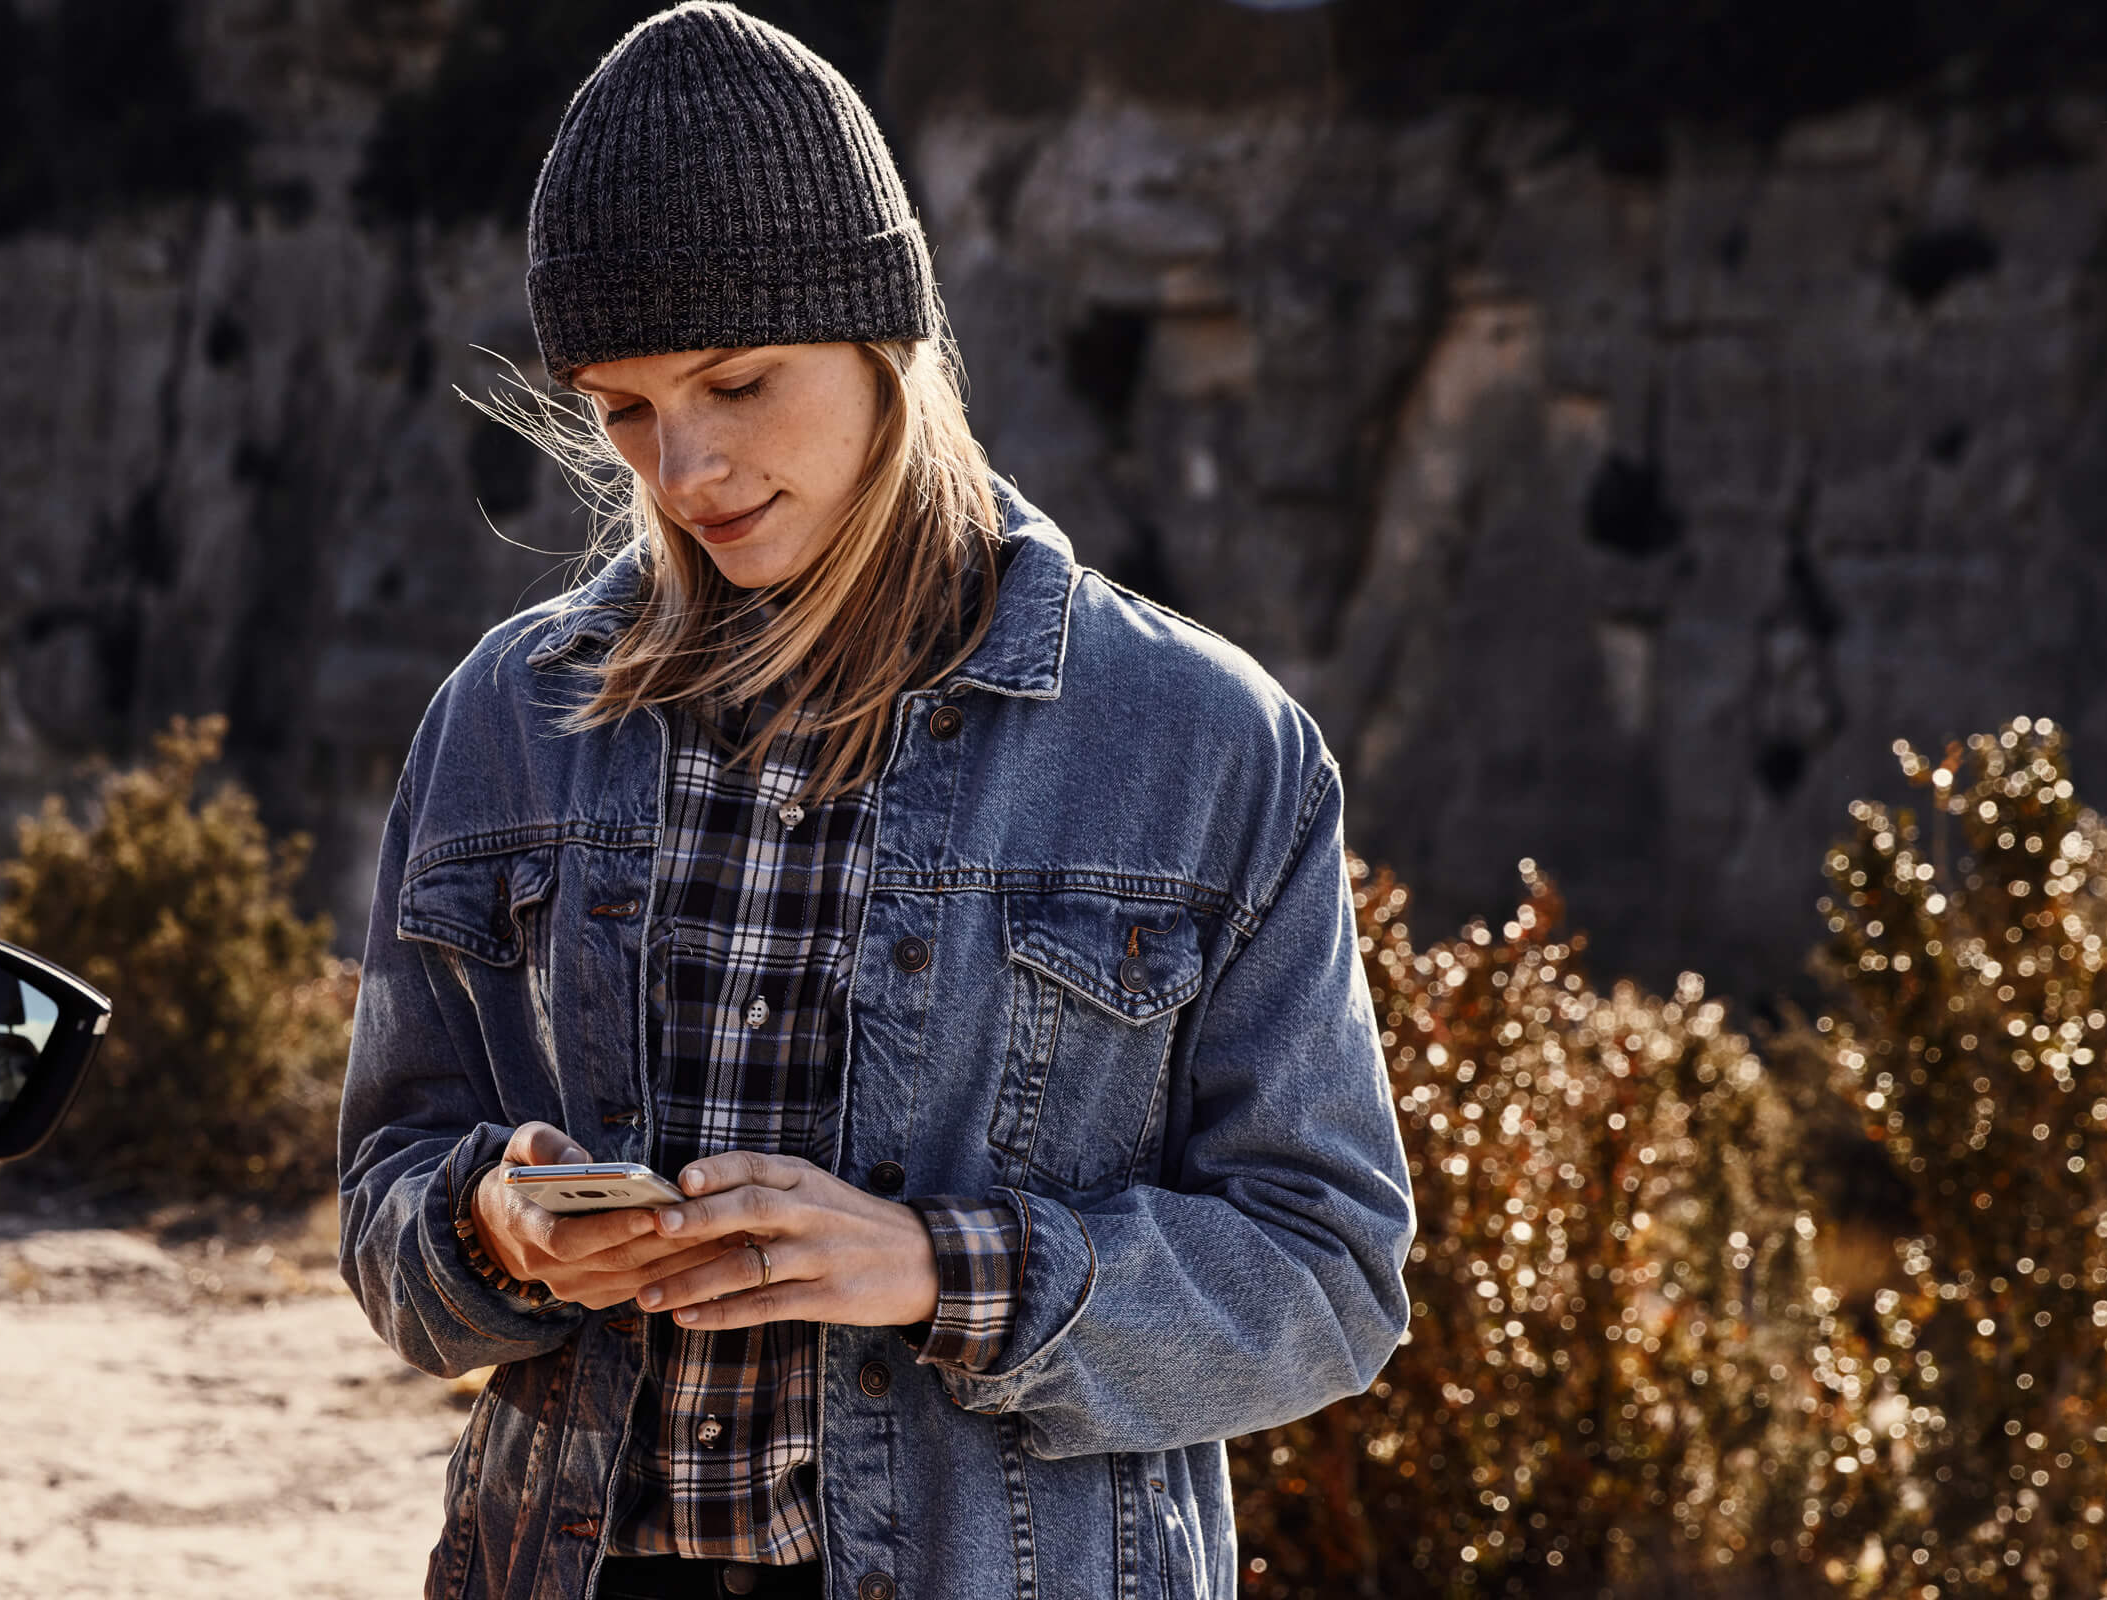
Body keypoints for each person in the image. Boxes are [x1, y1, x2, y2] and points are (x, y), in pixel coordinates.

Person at [335, 7, 1415, 1597]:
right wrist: (496, 1230)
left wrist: (936, 1270)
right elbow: (384, 1207)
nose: (684, 465)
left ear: (885, 340)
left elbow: (1329, 1280)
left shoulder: (1205, 743)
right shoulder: (509, 717)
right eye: (623, 408)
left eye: (739, 380)